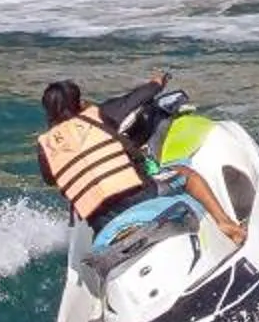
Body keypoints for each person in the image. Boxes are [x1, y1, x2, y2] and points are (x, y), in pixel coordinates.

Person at [36, 75, 247, 252]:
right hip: (139, 197)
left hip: (101, 221)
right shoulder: (98, 115)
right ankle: (227, 225)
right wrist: (157, 81)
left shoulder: (45, 145)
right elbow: (135, 99)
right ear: (80, 102)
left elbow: (50, 179)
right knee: (186, 174)